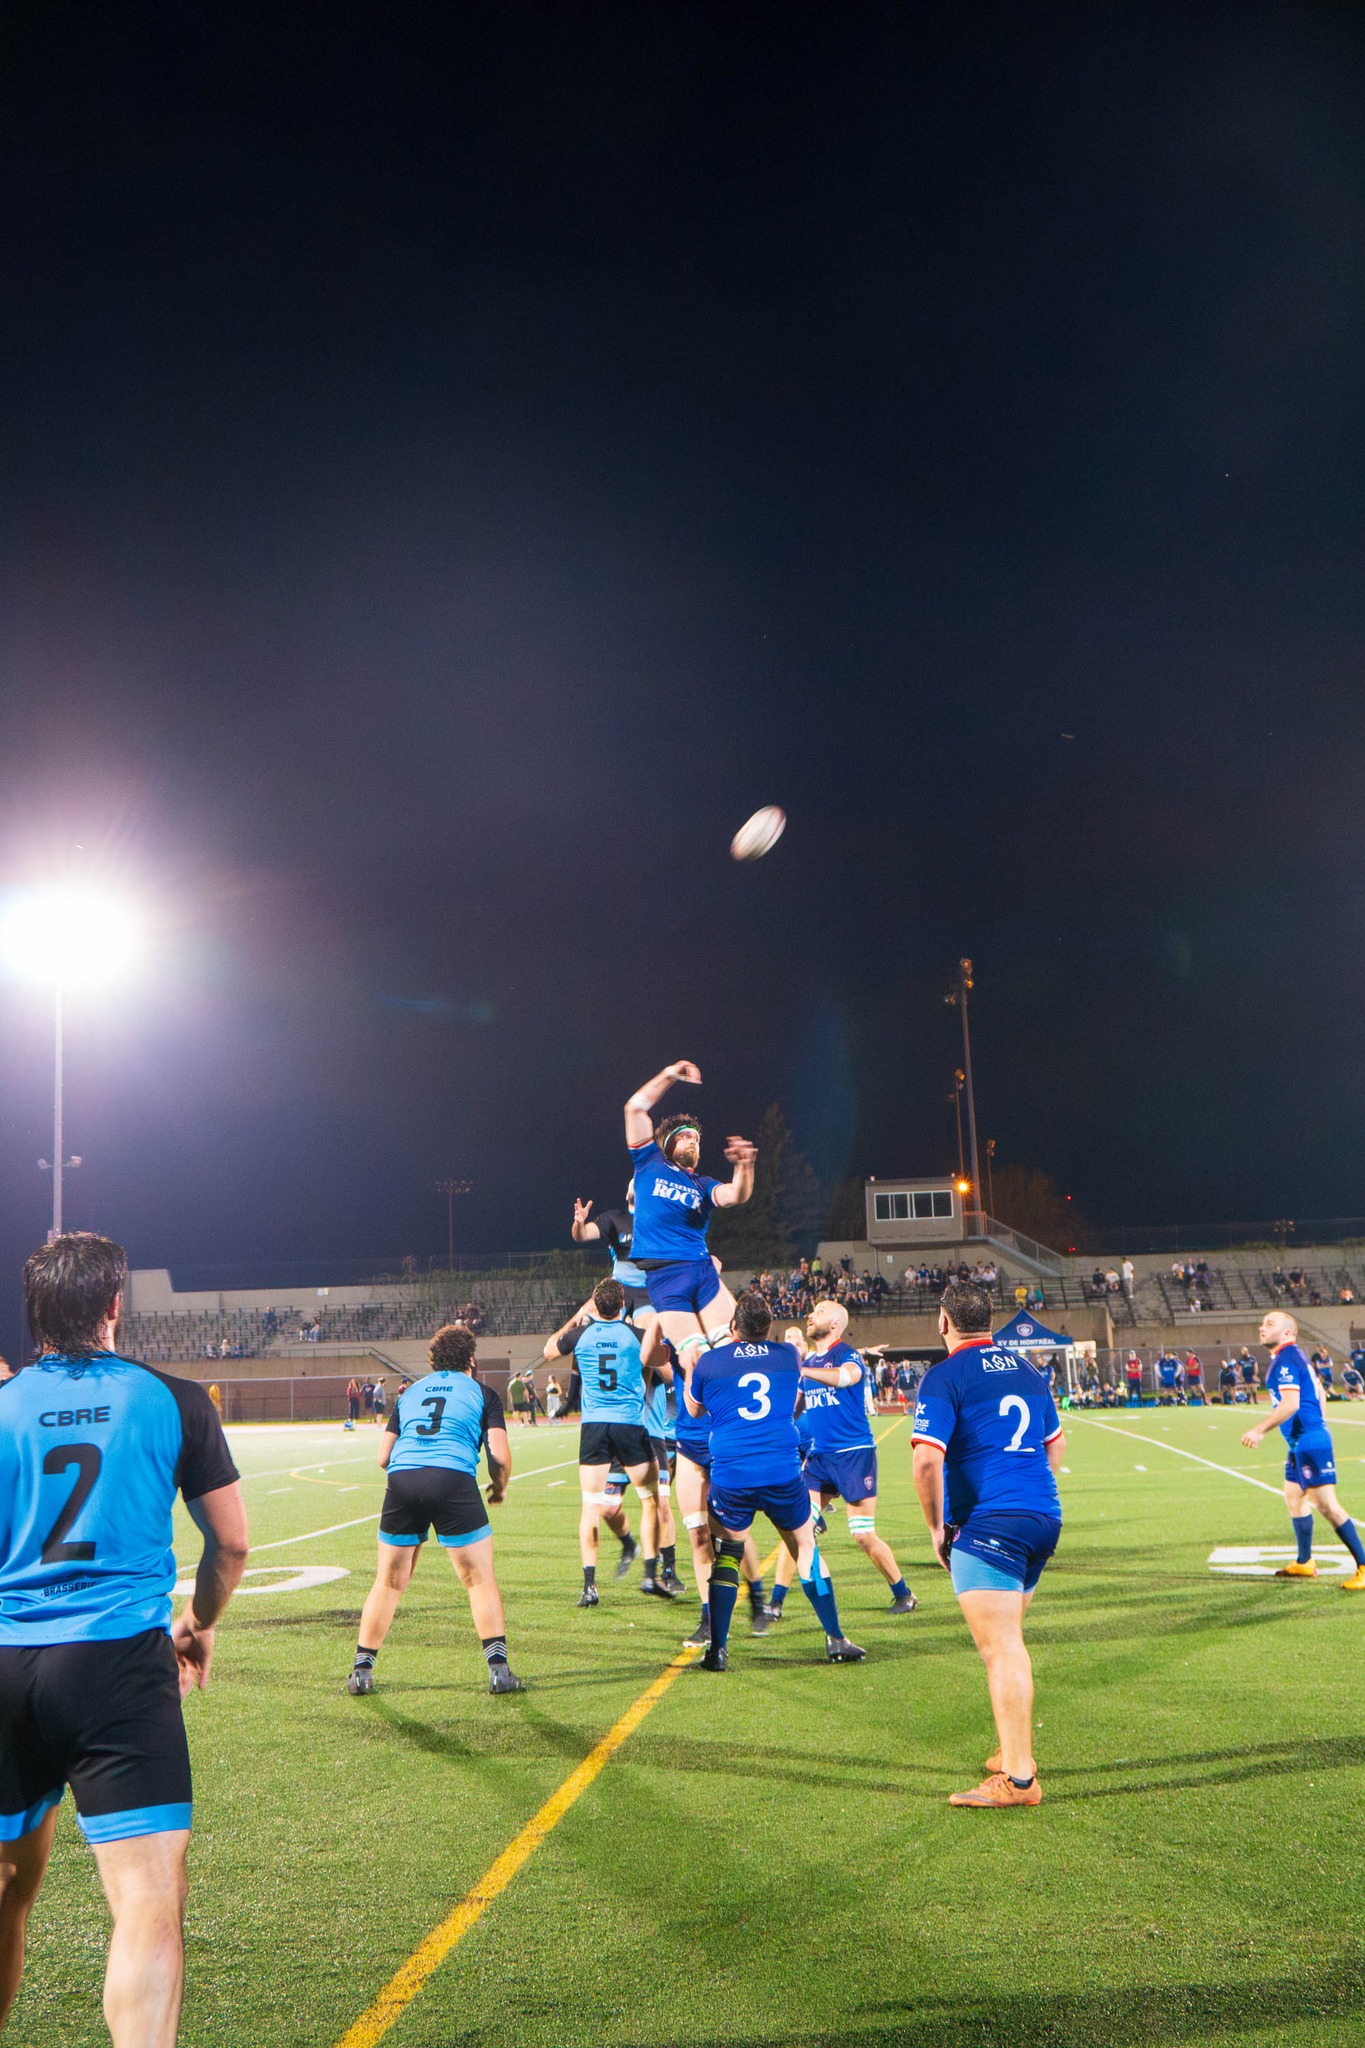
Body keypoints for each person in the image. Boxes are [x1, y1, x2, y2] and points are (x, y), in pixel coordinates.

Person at [0, 1232, 248, 2042]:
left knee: (7, 1885)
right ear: (114, 1306)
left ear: (34, 1313)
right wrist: (198, 1626)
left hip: (5, 1660)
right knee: (146, 1900)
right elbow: (232, 1544)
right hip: (115, 1660)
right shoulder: (173, 1398)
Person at [912, 1278, 1064, 1808]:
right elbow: (1055, 1443)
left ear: (943, 1321)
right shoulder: (1026, 1369)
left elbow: (927, 1459)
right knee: (1010, 1639)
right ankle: (1012, 1751)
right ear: (993, 1321)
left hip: (989, 1523)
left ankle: (1019, 1779)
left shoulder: (945, 1374)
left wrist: (936, 1529)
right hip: (1041, 1516)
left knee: (1001, 1649)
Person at [686, 1292, 863, 1671]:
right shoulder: (788, 1356)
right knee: (804, 1546)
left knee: (728, 1555)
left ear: (734, 1328)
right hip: (782, 1470)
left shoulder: (710, 1361)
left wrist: (691, 1370)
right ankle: (835, 1638)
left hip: (732, 1473)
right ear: (768, 1328)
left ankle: (717, 1650)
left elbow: (695, 1409)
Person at [348, 1323, 523, 1695]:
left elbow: (383, 1457)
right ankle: (499, 1671)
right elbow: (500, 1456)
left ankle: (361, 1672)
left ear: (433, 1360)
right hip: (452, 1480)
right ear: (471, 1360)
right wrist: (500, 1487)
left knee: (389, 1582)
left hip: (402, 1479)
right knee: (478, 1579)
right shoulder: (482, 1393)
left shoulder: (410, 1393)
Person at [768, 1301, 916, 1620]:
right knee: (798, 1529)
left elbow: (847, 1377)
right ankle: (775, 1603)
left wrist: (803, 1370)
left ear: (835, 1324)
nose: (811, 1315)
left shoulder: (845, 1354)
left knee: (862, 1534)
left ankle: (903, 1593)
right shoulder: (811, 1363)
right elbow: (793, 1407)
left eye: (819, 1312)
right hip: (819, 1458)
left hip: (853, 1454)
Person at [622, 1060, 755, 1372]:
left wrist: (745, 1166)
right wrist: (670, 1074)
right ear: (668, 1143)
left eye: (697, 1139)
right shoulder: (648, 1161)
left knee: (730, 1348)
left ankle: (736, 1420)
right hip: (665, 1274)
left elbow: (735, 1194)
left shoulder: (703, 1184)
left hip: (701, 1269)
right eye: (687, 1136)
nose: (695, 1141)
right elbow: (634, 1108)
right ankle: (699, 1417)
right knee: (693, 1355)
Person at [544, 1279, 661, 1607]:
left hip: (594, 1426)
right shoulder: (635, 1335)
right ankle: (650, 1572)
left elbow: (549, 1349)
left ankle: (590, 1586)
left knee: (590, 1506)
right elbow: (657, 1366)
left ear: (595, 1305)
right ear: (622, 1303)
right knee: (650, 1499)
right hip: (629, 1425)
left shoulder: (581, 1334)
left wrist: (577, 1317)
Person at [1240, 1311, 1365, 1589]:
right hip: (1303, 1441)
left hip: (1309, 1442)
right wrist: (1315, 1425)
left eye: (1269, 1324)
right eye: (1262, 1324)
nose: (1262, 1328)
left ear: (1287, 1333)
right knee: (1294, 1496)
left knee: (1327, 1506)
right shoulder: (1293, 1357)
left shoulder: (1287, 1358)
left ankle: (1364, 1565)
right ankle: (1305, 1562)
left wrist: (1259, 1430)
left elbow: (1291, 1404)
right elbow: (1319, 1393)